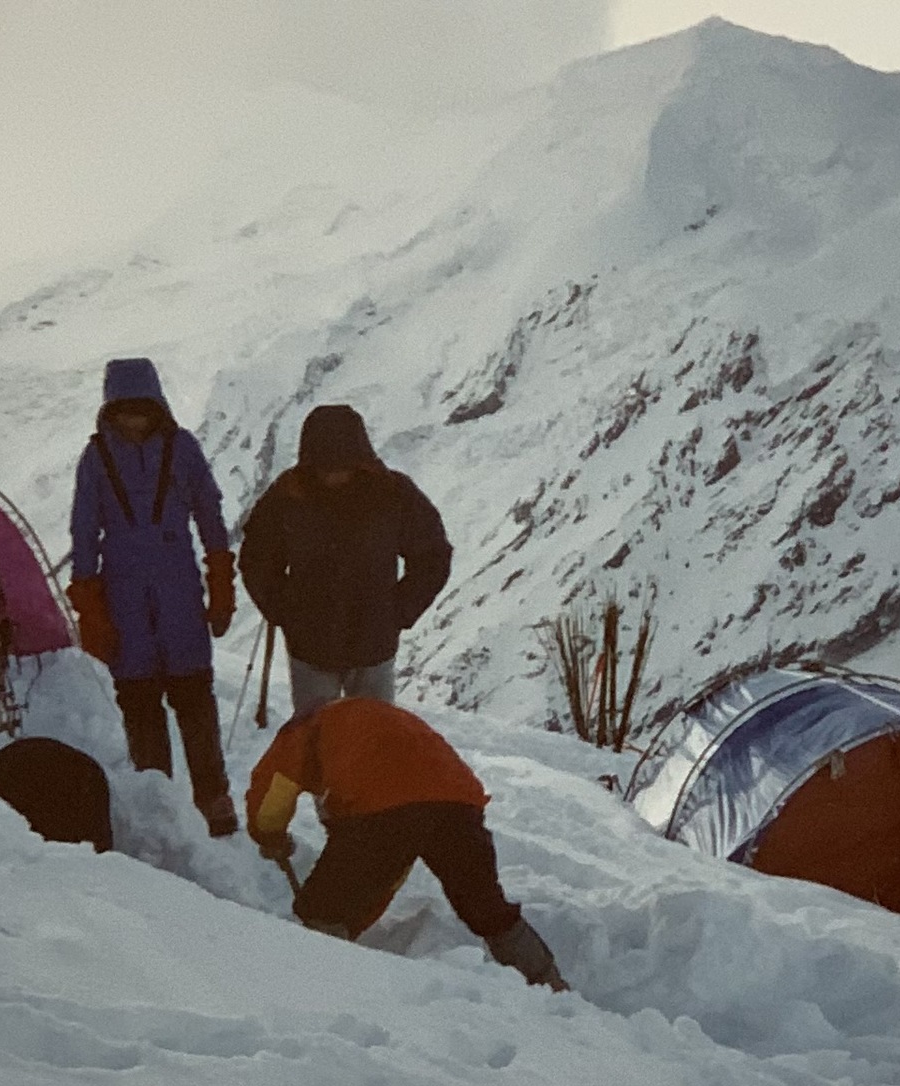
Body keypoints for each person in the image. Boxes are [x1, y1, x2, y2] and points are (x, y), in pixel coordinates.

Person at [244, 696, 568, 991]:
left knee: (320, 907)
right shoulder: (376, 720)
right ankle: (547, 984)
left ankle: (313, 987)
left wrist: (270, 837)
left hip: (380, 807)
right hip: (458, 803)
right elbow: (389, 868)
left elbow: (271, 797)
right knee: (486, 908)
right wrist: (355, 921)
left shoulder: (303, 731)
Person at [67, 357, 241, 837]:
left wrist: (221, 577)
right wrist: (90, 604)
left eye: (141, 411)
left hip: (178, 588)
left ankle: (212, 796)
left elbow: (209, 508)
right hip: (124, 591)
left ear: (155, 406)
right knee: (140, 700)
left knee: (194, 697)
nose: (134, 420)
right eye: (125, 411)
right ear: (111, 409)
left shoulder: (181, 448)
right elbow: (84, 529)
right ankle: (158, 800)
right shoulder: (97, 458)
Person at [237, 404, 452, 715]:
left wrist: (400, 611)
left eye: (341, 466)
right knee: (318, 738)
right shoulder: (290, 495)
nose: (333, 475)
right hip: (313, 643)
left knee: (372, 737)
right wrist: (284, 610)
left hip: (371, 642)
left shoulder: (392, 494)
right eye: (325, 467)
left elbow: (432, 556)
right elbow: (257, 557)